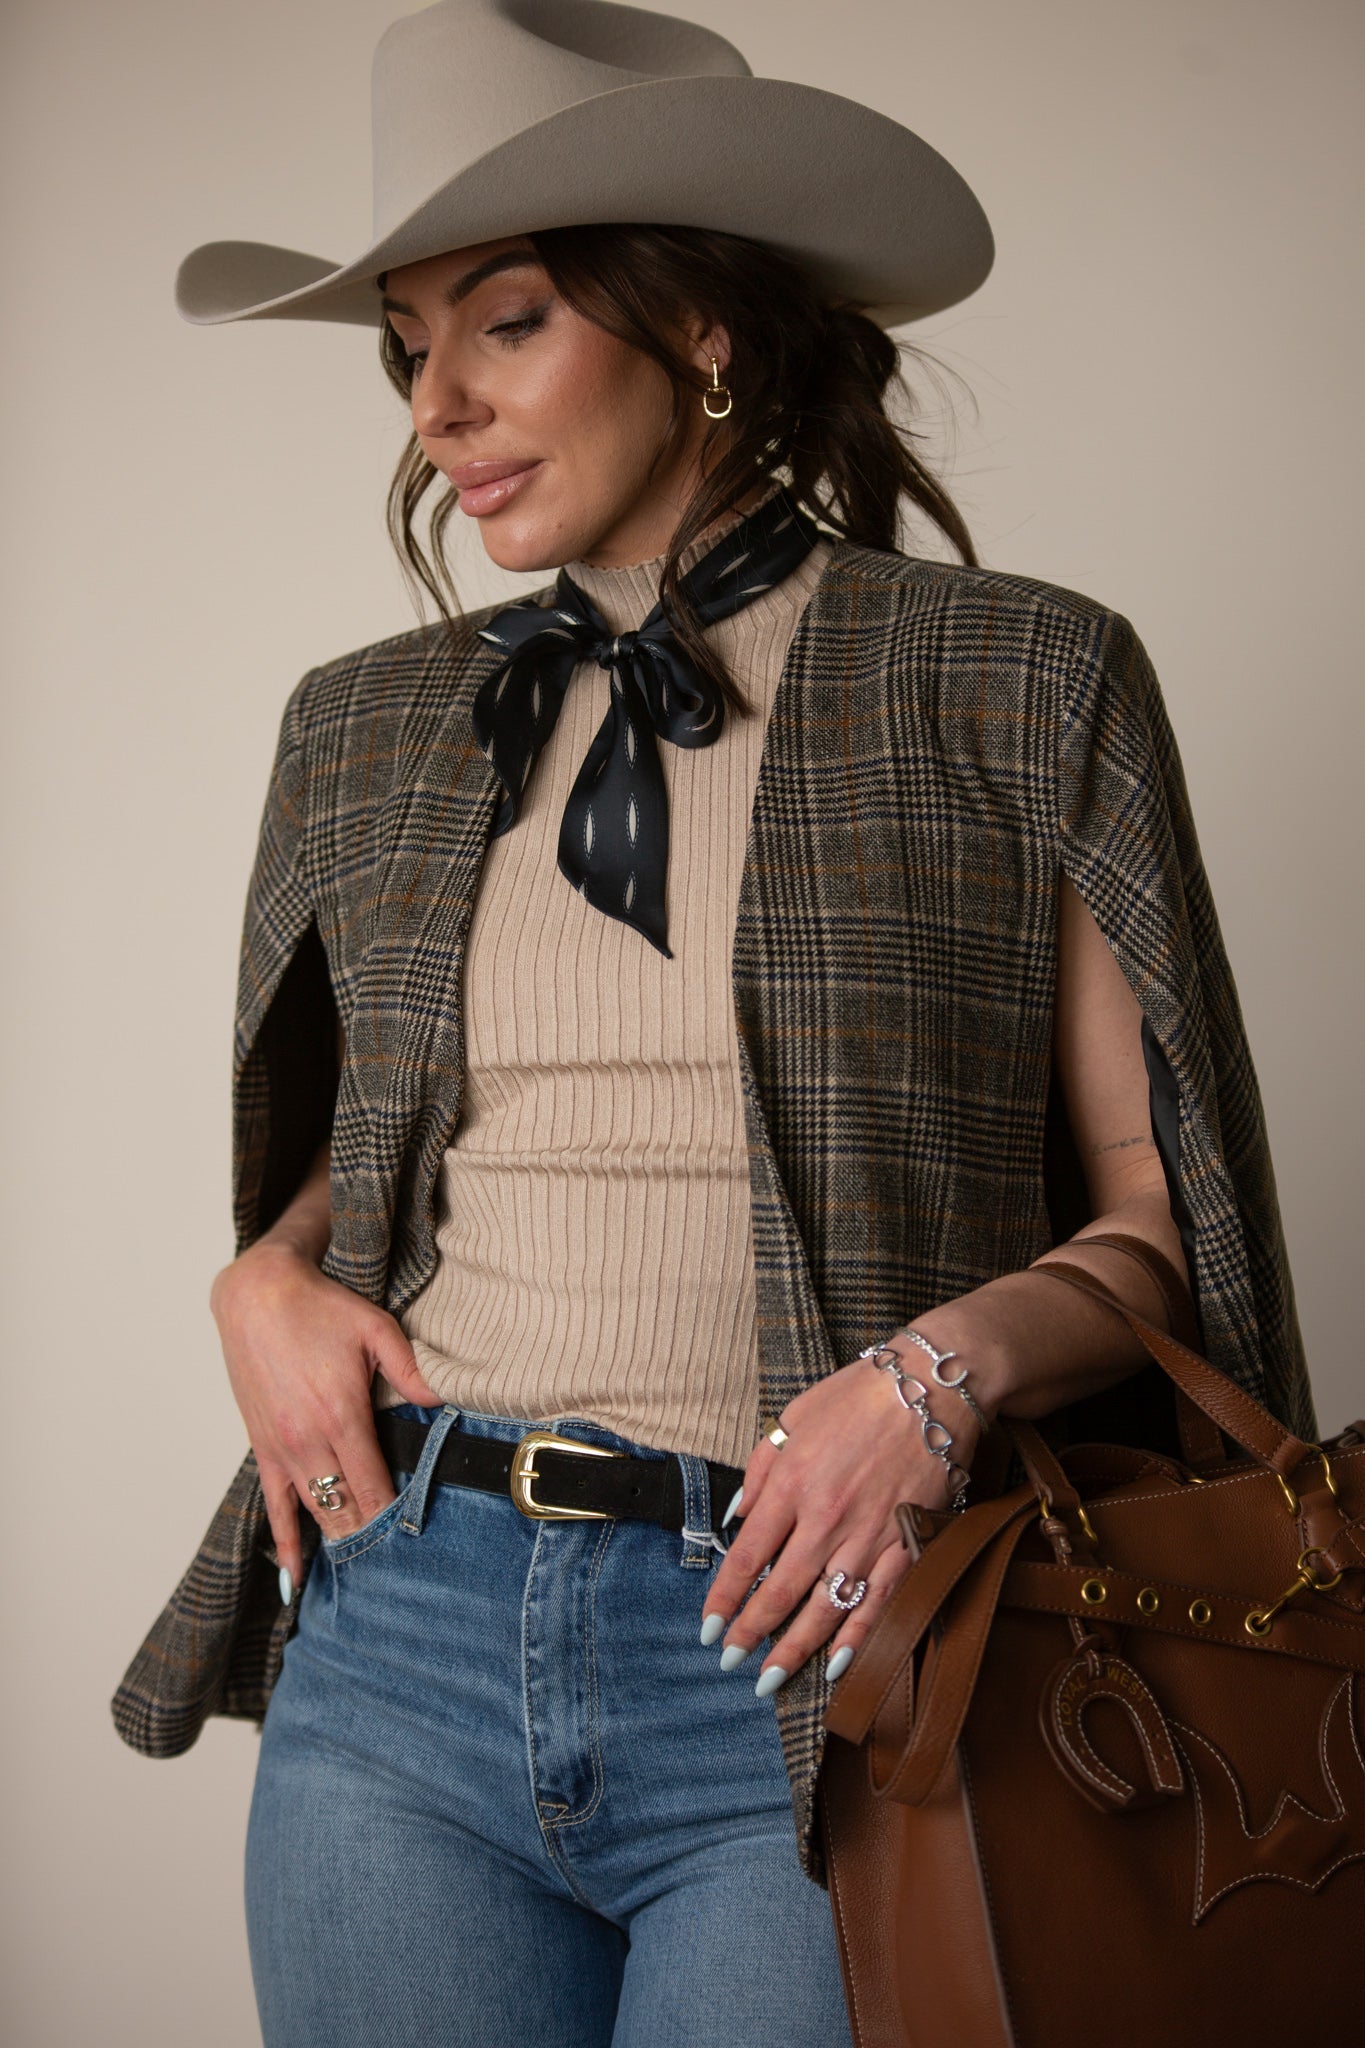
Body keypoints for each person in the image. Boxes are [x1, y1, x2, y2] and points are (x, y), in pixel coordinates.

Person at [111, 3, 1313, 2045]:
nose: (435, 409)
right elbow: (398, 1145)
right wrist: (264, 1270)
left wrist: (926, 1384)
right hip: (403, 1635)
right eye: (409, 344)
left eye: (503, 324)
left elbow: (1151, 1216)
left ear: (704, 332)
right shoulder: (365, 726)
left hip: (828, 1646)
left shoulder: (1018, 680)